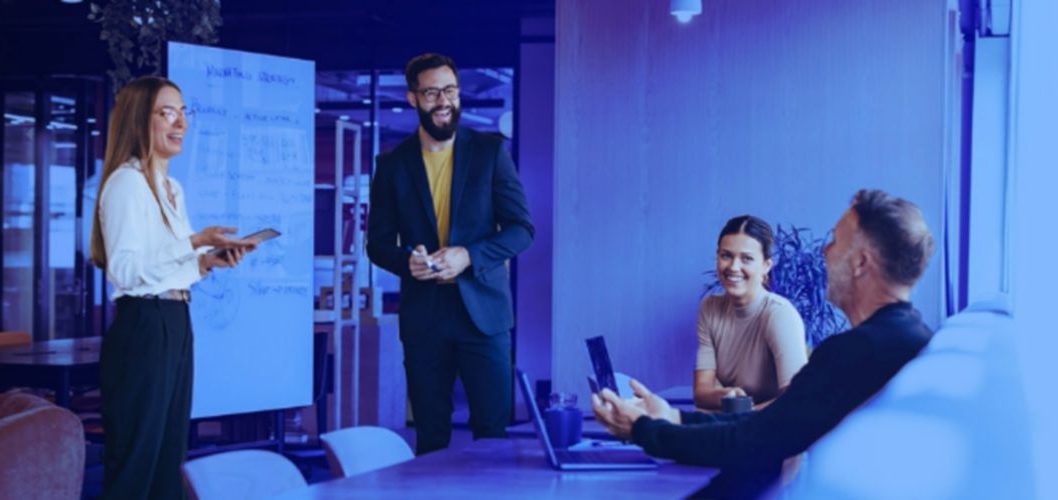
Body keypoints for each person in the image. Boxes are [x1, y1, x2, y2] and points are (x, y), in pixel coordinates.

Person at [592, 189, 937, 499]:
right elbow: (770, 426)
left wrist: (642, 429)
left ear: (861, 263)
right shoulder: (906, 336)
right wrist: (671, 417)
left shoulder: (861, 350)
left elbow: (752, 442)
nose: (824, 251)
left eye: (834, 241)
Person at [90, 76, 257, 500]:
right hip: (143, 325)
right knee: (136, 464)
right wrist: (194, 242)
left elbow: (164, 267)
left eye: (184, 112)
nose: (180, 122)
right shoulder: (126, 183)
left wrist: (204, 264)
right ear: (137, 120)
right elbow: (126, 272)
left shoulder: (171, 188)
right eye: (167, 112)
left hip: (174, 319)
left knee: (168, 461)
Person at [365, 52, 535, 455]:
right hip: (425, 316)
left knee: (493, 433)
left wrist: (468, 255)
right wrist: (405, 261)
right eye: (431, 92)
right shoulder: (392, 165)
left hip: (485, 315)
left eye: (450, 91)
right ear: (412, 98)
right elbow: (377, 243)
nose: (444, 101)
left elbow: (521, 230)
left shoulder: (490, 153)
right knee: (430, 435)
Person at [695, 215, 809, 411]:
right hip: (735, 424)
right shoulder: (710, 308)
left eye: (746, 258)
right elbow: (702, 393)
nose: (733, 267)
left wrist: (742, 415)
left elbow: (796, 400)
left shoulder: (779, 314)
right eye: (726, 255)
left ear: (766, 266)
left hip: (773, 428)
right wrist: (724, 395)